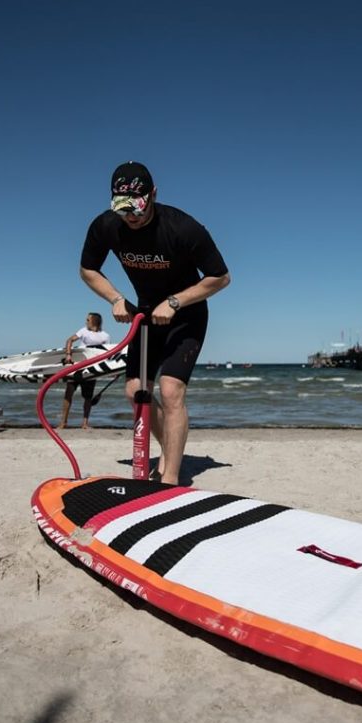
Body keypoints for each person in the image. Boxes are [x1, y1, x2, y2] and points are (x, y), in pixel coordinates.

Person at [80, 161, 230, 483]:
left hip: (186, 314)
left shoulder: (182, 227)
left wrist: (175, 301)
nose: (131, 216)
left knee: (171, 390)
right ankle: (171, 447)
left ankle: (171, 477)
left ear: (154, 194)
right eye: (123, 209)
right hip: (145, 315)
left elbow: (220, 277)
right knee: (136, 391)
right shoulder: (106, 226)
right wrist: (116, 298)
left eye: (138, 207)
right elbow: (88, 269)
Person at [58, 313, 111, 429]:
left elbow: (106, 353)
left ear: (94, 321)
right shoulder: (83, 331)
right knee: (68, 393)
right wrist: (68, 355)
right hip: (77, 367)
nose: (86, 321)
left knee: (88, 397)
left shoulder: (105, 336)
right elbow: (69, 340)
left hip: (92, 369)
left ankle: (85, 424)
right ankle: (63, 422)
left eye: (88, 319)